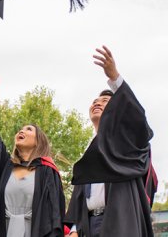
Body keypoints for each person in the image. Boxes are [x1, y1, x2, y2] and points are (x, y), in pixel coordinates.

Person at [0, 73, 66, 237]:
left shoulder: (47, 170)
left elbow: (54, 214)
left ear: (38, 141)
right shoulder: (6, 167)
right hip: (5, 231)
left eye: (29, 129)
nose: (22, 130)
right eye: (20, 129)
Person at [65, 46, 157, 237]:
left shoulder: (127, 146)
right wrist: (74, 229)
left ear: (117, 108)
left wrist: (115, 77)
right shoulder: (90, 154)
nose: (97, 103)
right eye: (94, 101)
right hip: (88, 226)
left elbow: (139, 120)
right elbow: (79, 199)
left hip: (119, 222)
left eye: (105, 101)